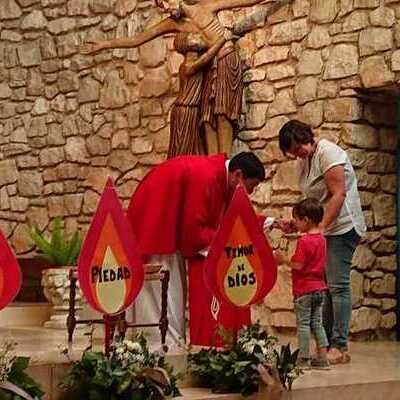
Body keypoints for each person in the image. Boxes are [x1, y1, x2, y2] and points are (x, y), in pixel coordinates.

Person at [81, 0, 279, 156]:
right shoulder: (172, 24)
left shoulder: (206, 6)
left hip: (226, 60)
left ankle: (225, 166)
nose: (166, 8)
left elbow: (244, 1)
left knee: (222, 112)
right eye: (161, 6)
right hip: (209, 68)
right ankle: (214, 169)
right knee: (207, 119)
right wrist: (103, 45)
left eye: (166, 2)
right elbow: (136, 39)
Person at [126, 152, 265, 346]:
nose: (249, 193)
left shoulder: (217, 176)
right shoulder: (206, 177)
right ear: (238, 175)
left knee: (174, 290)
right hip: (156, 221)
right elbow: (194, 230)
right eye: (251, 186)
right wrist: (225, 247)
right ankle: (162, 345)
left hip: (165, 221)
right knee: (165, 292)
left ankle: (168, 342)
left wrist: (267, 223)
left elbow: (227, 222)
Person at [277, 120, 366, 364]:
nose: (296, 154)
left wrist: (320, 228)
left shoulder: (329, 153)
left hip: (342, 227)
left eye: (297, 148)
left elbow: (339, 194)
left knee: (337, 286)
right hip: (324, 230)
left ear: (305, 137)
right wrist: (297, 223)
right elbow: (311, 202)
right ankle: (324, 346)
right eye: (292, 152)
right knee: (322, 289)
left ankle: (339, 345)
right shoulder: (303, 162)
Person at [274, 198, 330, 370]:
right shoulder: (322, 239)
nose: (296, 224)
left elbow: (299, 265)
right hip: (320, 288)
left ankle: (303, 358)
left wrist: (283, 260)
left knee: (304, 324)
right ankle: (323, 357)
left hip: (304, 290)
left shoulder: (304, 242)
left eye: (297, 220)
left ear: (305, 220)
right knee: (317, 323)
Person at [168, 32, 225, 158]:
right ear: (186, 46)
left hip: (192, 110)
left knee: (195, 150)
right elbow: (207, 56)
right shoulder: (188, 66)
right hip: (185, 109)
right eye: (192, 37)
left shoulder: (192, 63)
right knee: (182, 149)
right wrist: (223, 39)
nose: (198, 36)